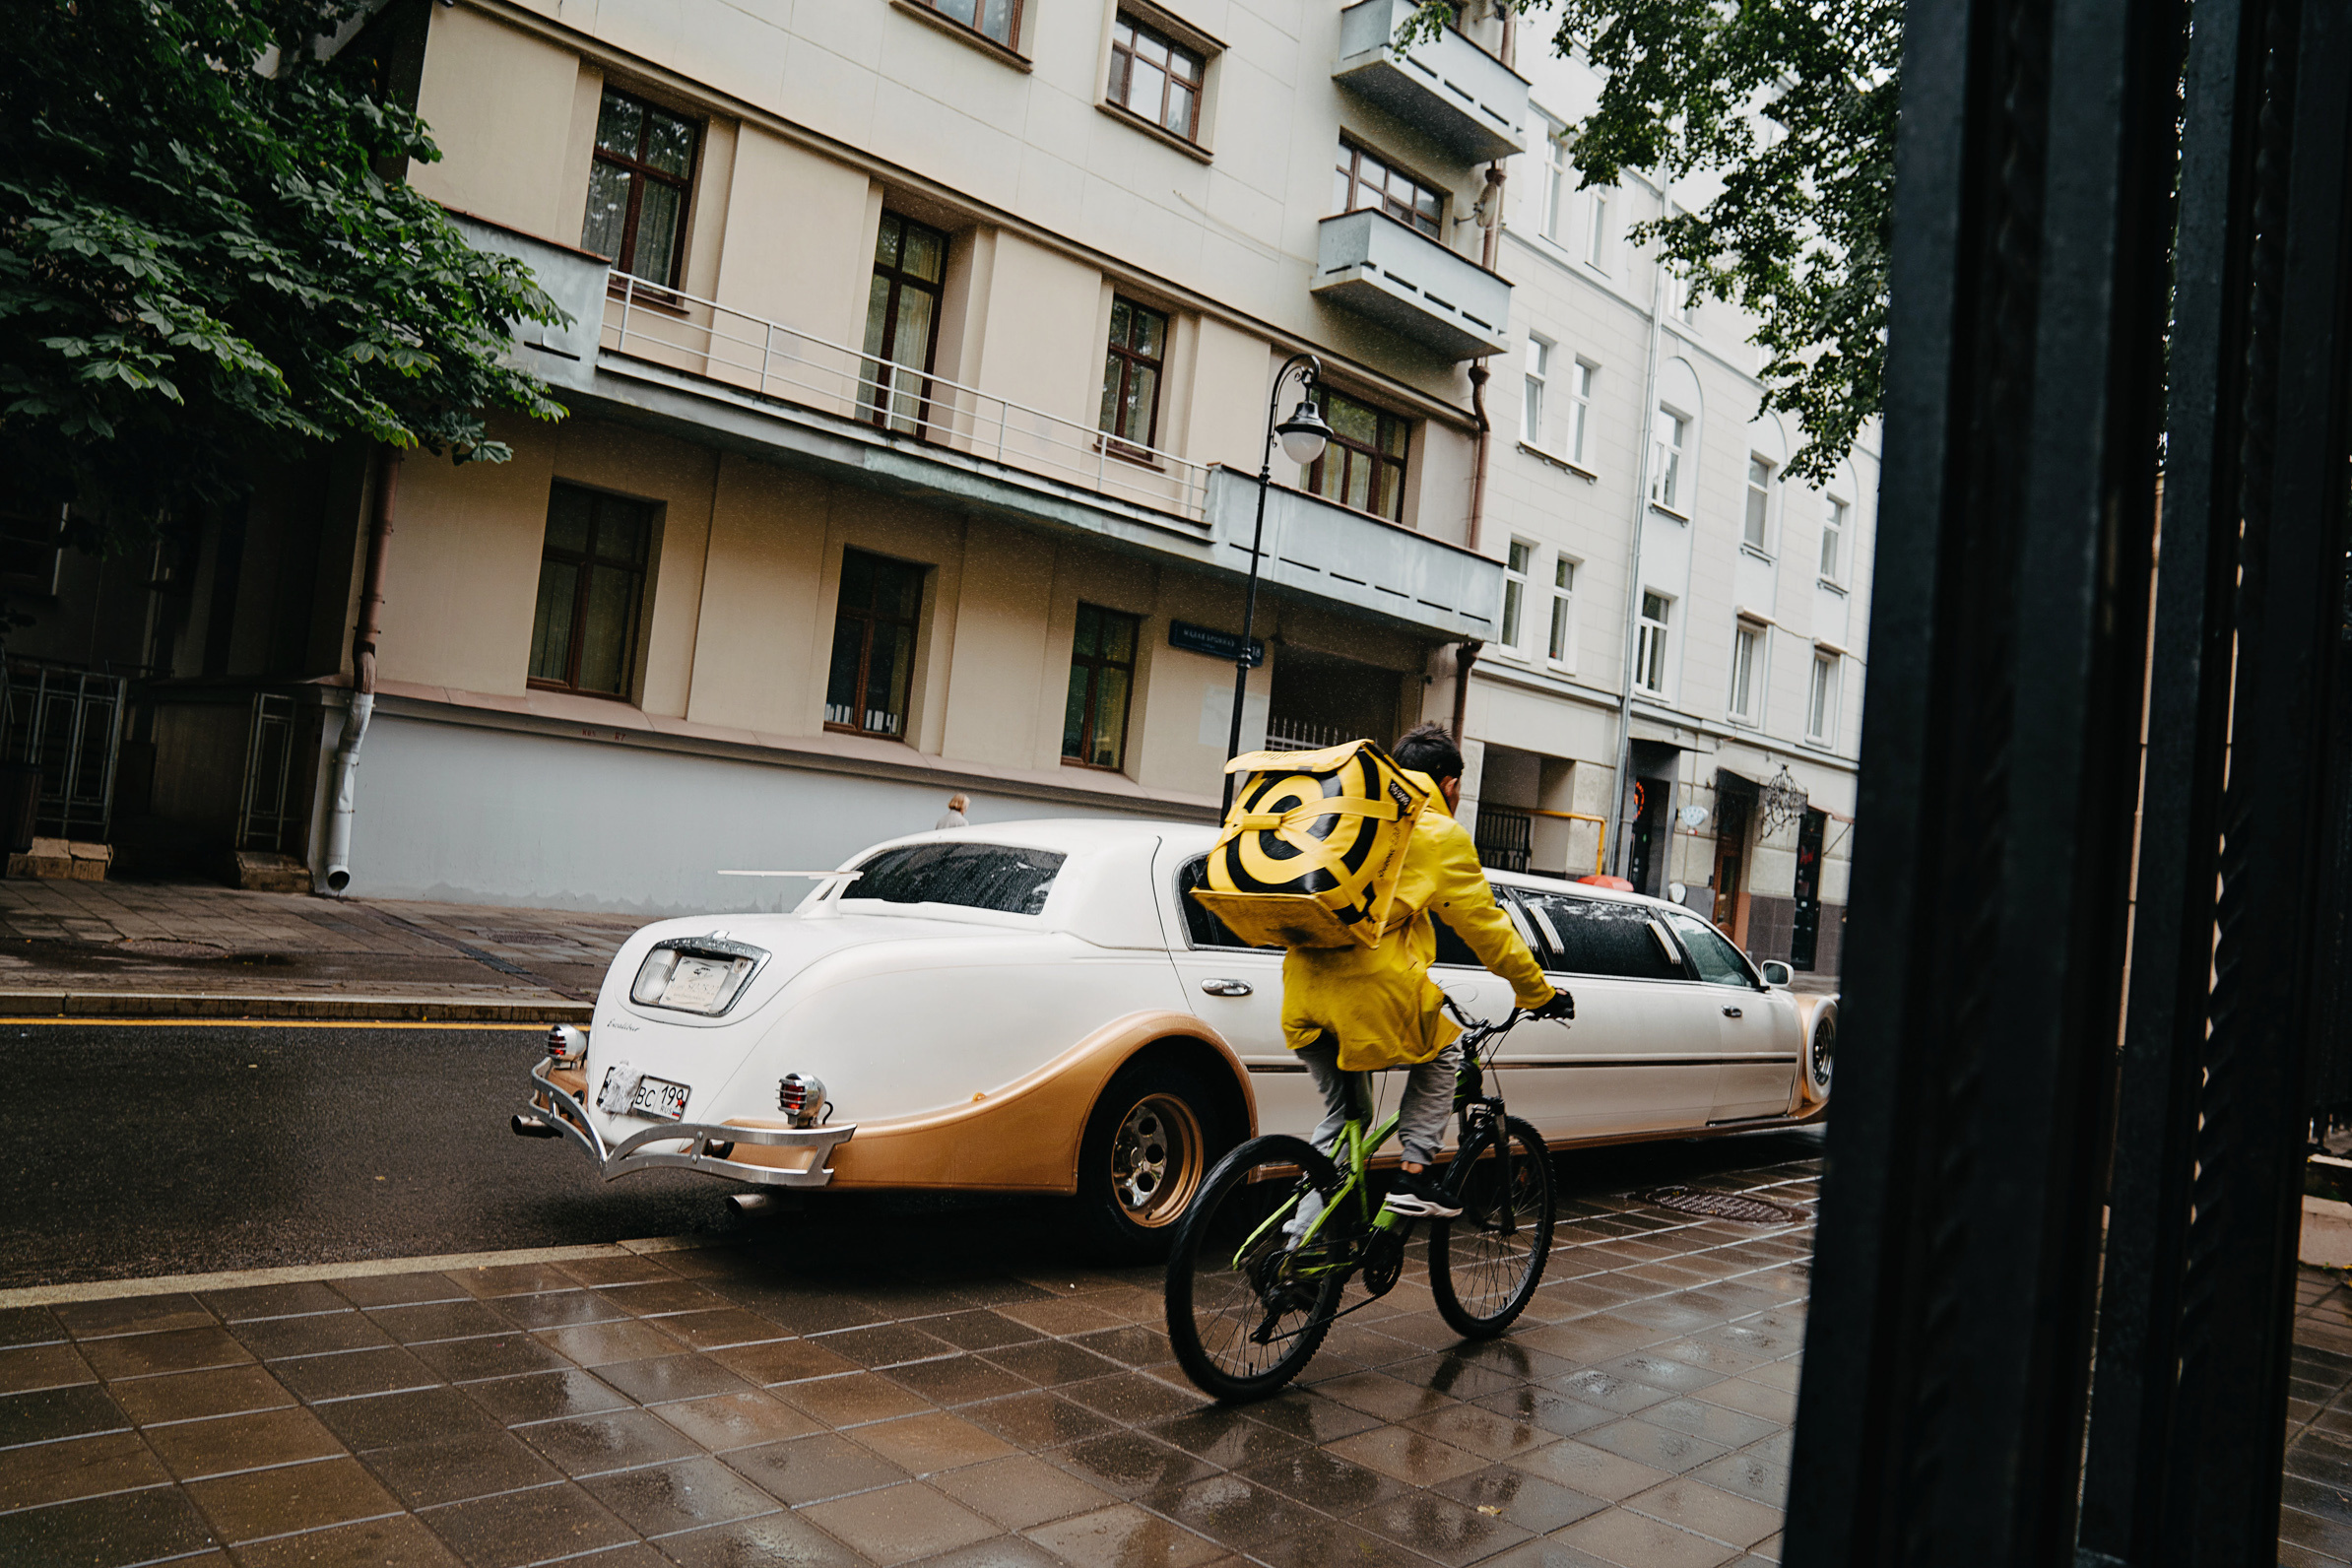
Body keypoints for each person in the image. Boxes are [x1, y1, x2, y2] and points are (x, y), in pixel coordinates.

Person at [1281, 723, 1575, 1217]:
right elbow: (1489, 930)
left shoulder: (1352, 818)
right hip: (1366, 993)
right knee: (1443, 1052)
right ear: (1450, 784)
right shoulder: (1437, 832)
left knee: (1342, 1121)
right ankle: (1413, 1177)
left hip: (1302, 990)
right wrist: (1537, 992)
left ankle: (1298, 1258)